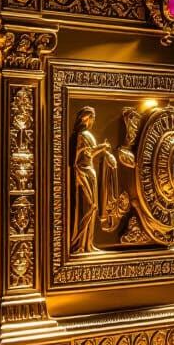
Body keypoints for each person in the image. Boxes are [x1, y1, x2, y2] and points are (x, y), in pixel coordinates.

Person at [71, 107, 116, 253]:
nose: (93, 121)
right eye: (92, 118)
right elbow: (85, 155)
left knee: (93, 207)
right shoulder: (82, 135)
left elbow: (89, 153)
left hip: (90, 172)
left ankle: (88, 244)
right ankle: (78, 242)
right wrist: (102, 147)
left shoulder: (87, 135)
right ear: (86, 118)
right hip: (83, 172)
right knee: (89, 207)